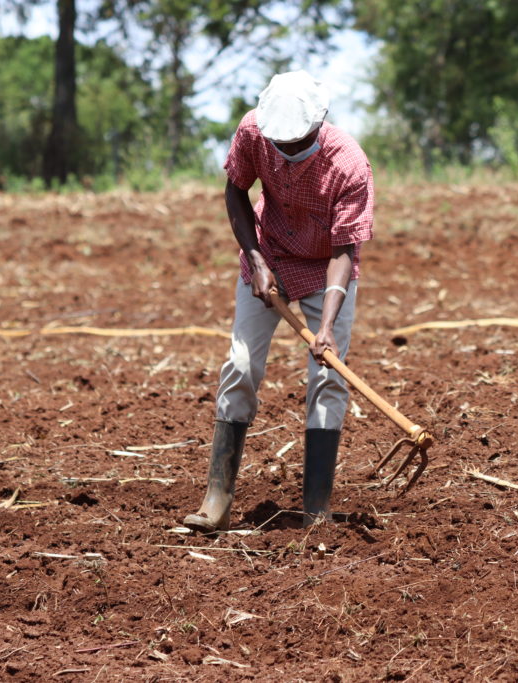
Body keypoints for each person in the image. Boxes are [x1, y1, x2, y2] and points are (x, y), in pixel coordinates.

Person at [183, 70, 374, 532]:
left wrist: (325, 326)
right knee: (240, 366)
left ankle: (316, 508)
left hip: (325, 271)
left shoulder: (349, 164)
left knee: (328, 380)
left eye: (297, 142)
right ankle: (217, 499)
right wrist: (255, 258)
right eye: (279, 143)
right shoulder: (254, 132)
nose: (286, 150)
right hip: (267, 258)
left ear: (318, 123)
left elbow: (344, 251)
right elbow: (236, 190)